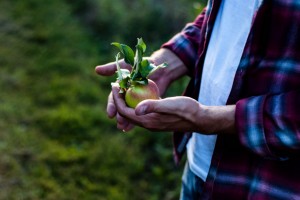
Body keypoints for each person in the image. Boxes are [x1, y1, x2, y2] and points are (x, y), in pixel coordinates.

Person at [95, 0, 300, 199]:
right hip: (198, 167)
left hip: (266, 185)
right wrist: (166, 62)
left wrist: (210, 118)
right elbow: (232, 16)